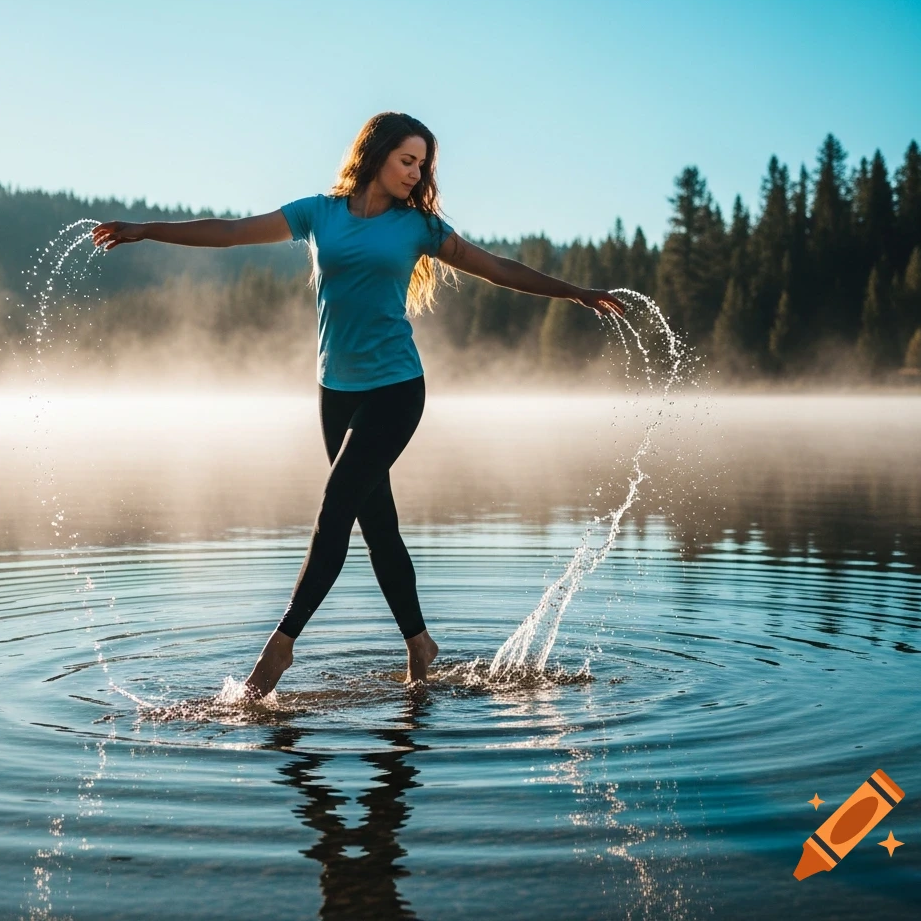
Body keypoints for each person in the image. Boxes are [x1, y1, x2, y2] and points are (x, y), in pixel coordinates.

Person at [91, 111, 625, 699]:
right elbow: (232, 231)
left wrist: (573, 292)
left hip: (397, 389)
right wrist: (147, 229)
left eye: (423, 165)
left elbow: (495, 267)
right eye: (407, 160)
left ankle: (280, 648)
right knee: (378, 527)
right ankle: (420, 644)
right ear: (375, 155)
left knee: (336, 505)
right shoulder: (318, 213)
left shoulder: (419, 226)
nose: (416, 173)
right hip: (335, 393)